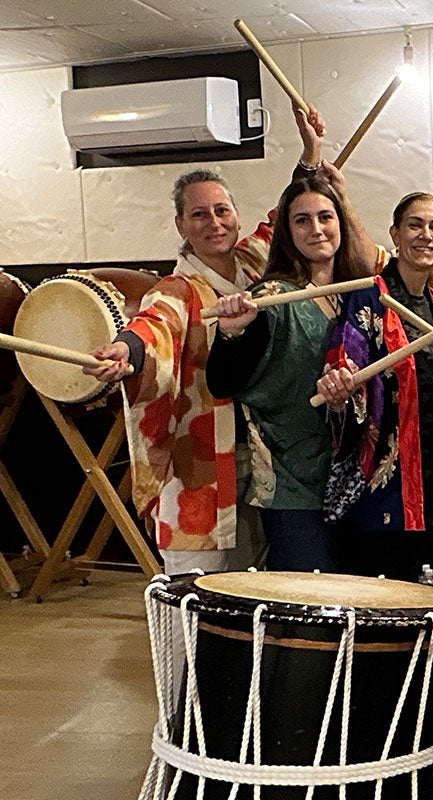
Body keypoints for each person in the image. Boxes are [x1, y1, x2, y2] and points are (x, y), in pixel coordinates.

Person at [82, 107, 326, 575]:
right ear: (180, 226)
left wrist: (310, 156)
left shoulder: (257, 264)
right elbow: (154, 326)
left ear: (236, 216)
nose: (214, 222)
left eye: (222, 210)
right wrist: (126, 351)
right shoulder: (177, 290)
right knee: (197, 604)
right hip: (201, 468)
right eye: (198, 214)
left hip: (264, 465)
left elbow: (285, 219)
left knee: (258, 598)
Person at [206, 115, 377, 572]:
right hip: (294, 483)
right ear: (288, 232)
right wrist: (231, 333)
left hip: (358, 478)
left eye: (326, 217)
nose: (316, 228)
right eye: (302, 220)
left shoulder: (361, 296)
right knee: (310, 612)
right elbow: (222, 382)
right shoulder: (271, 299)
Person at [316, 192, 433, 592]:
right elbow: (346, 366)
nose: (425, 235)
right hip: (387, 489)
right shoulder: (368, 297)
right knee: (389, 610)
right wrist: (340, 385)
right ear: (395, 233)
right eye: (414, 224)